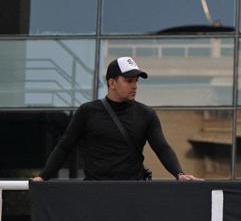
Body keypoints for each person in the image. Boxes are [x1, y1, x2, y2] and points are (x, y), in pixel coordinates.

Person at [33, 57, 201, 182]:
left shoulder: (146, 114)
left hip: (131, 192)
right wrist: (43, 177)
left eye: (136, 81)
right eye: (128, 81)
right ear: (112, 83)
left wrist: (179, 174)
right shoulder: (87, 112)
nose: (134, 86)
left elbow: (162, 148)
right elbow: (65, 147)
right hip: (95, 193)